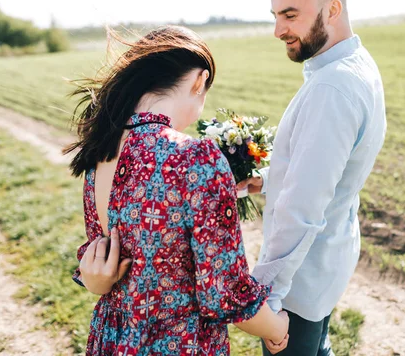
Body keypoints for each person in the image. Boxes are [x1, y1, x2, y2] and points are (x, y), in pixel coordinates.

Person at [65, 26, 289, 355]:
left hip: (113, 338)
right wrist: (277, 327)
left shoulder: (100, 154)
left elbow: (101, 264)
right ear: (199, 81)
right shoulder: (195, 157)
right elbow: (225, 292)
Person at [237, 0, 387, 354]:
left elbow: (302, 210)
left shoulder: (331, 90)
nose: (277, 30)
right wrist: (266, 179)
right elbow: (325, 169)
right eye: (275, 15)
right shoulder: (357, 64)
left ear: (332, 9)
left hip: (298, 288)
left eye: (289, 15)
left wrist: (266, 299)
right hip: (324, 267)